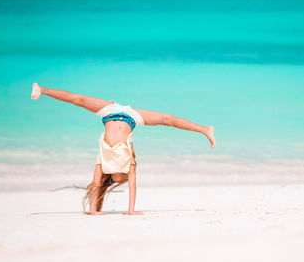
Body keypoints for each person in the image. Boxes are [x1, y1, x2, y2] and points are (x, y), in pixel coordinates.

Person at [31, 83, 215, 215]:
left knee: (79, 100)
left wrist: (93, 210)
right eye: (122, 180)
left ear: (111, 178)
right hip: (132, 117)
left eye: (116, 181)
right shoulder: (130, 166)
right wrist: (131, 211)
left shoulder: (102, 165)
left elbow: (96, 185)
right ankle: (43, 90)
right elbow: (134, 187)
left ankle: (205, 129)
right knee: (167, 120)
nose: (121, 180)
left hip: (110, 111)